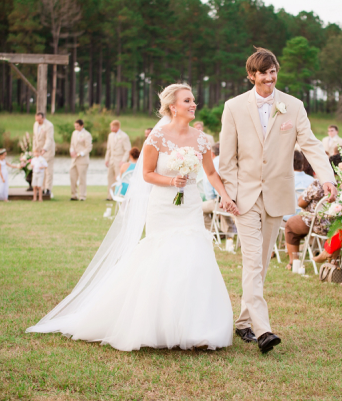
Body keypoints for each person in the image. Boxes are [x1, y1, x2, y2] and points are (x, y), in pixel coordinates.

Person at [27, 83, 237, 351]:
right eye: (187, 100)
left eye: (193, 99)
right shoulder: (157, 138)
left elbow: (210, 173)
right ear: (173, 107)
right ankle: (157, 325)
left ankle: (197, 328)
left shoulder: (201, 140)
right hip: (163, 206)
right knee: (162, 259)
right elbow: (146, 173)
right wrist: (173, 180)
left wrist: (225, 196)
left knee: (194, 258)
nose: (193, 104)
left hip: (191, 206)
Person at [219, 47, 336, 353]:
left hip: (276, 194)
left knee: (261, 263)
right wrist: (228, 194)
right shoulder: (233, 107)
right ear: (251, 75)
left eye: (273, 72)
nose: (269, 78)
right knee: (252, 261)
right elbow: (227, 157)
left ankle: (244, 322)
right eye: (263, 73)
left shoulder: (293, 106)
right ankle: (263, 330)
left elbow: (310, 145)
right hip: (243, 196)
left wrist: (327, 178)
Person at [284, 155, 340, 270]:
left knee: (290, 225)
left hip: (315, 223)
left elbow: (301, 203)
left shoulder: (319, 183)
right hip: (336, 227)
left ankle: (293, 262)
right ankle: (333, 261)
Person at [201, 142, 235, 235]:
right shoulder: (231, 161)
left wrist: (211, 198)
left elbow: (208, 184)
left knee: (199, 209)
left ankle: (215, 233)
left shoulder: (212, 163)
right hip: (235, 200)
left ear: (212, 153)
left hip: (220, 202)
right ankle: (229, 232)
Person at [105, 120, 131, 201]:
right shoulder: (110, 135)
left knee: (118, 178)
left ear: (118, 127)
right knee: (110, 177)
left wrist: (123, 160)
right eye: (111, 127)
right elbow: (108, 149)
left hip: (120, 161)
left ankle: (118, 195)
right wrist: (107, 159)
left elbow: (128, 150)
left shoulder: (124, 136)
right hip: (112, 160)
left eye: (113, 127)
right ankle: (110, 195)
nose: (112, 128)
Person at [69, 120, 93, 201]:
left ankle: (82, 196)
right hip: (74, 160)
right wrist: (72, 151)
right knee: (72, 177)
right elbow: (72, 144)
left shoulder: (87, 135)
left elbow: (88, 148)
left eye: (77, 126)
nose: (76, 128)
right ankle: (73, 195)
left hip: (83, 160)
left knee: (82, 178)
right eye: (75, 126)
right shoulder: (74, 133)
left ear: (82, 126)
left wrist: (79, 154)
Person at [32, 112, 55, 196]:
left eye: (39, 120)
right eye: (36, 119)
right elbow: (35, 137)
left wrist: (44, 149)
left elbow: (49, 139)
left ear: (43, 118)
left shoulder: (49, 125)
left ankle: (48, 188)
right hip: (38, 152)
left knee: (48, 170)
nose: (38, 121)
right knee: (39, 169)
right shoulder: (35, 124)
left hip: (48, 151)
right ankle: (40, 188)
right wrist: (34, 149)